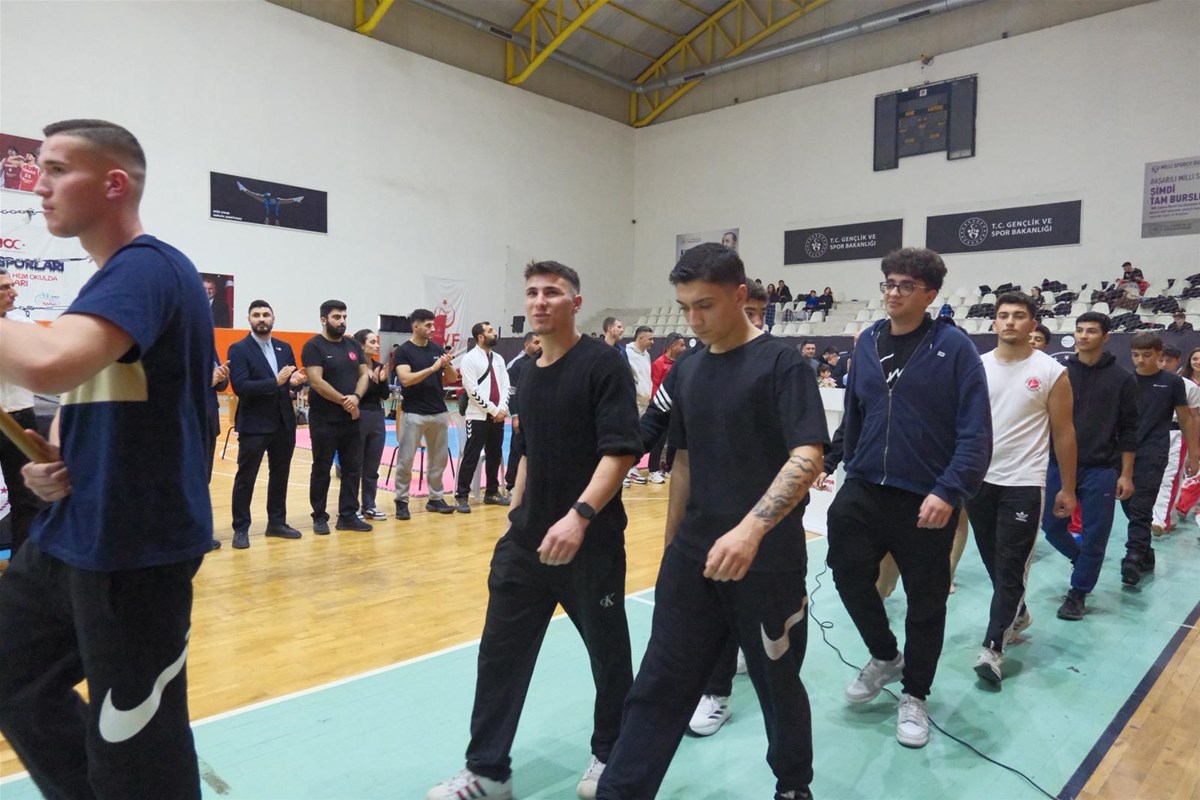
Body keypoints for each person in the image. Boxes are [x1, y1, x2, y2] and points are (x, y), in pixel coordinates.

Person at [0, 119, 213, 798]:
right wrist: (53, 462)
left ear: (114, 183)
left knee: (136, 749)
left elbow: (53, 364)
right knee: (12, 678)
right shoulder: (105, 284)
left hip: (135, 550)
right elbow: (84, 388)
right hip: (67, 537)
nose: (39, 185)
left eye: (58, 169)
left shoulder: (148, 267)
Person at [597, 243, 827, 800]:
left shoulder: (782, 365)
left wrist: (750, 529)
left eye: (705, 305)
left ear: (740, 296)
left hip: (767, 561)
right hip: (693, 557)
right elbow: (659, 448)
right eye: (685, 308)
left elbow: (808, 457)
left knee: (777, 685)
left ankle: (793, 786)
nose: (693, 320)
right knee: (658, 685)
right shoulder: (687, 370)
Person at [428, 260, 641, 800]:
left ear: (576, 302)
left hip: (589, 543)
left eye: (552, 292)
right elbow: (526, 450)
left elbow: (620, 452)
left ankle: (611, 753)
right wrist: (516, 511)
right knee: (500, 654)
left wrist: (579, 516)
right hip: (526, 543)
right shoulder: (527, 371)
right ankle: (488, 771)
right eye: (532, 292)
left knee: (608, 654)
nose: (540, 301)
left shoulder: (603, 366)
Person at [827, 247, 992, 749]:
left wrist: (949, 490)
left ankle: (915, 694)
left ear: (930, 294)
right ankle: (885, 655)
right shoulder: (868, 342)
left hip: (925, 496)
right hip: (864, 485)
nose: (893, 293)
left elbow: (976, 431)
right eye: (888, 283)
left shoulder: (954, 347)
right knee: (846, 573)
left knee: (925, 601)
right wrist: (835, 461)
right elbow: (856, 412)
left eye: (905, 285)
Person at [967, 292, 1077, 684]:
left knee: (1011, 565)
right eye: (1003, 315)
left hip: (1024, 483)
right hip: (980, 481)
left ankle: (992, 649)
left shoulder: (1051, 372)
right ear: (994, 323)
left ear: (1032, 324)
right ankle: (1020, 612)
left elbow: (1064, 433)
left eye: (1018, 315)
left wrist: (1068, 488)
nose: (1010, 321)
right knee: (993, 563)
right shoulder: (977, 367)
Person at [1041, 312, 1138, 620]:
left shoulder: (1123, 379)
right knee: (1051, 526)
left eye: (1091, 331)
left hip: (1101, 468)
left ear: (1105, 337)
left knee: (1096, 532)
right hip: (1059, 464)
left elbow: (1129, 430)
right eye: (1079, 330)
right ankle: (1081, 560)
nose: (1083, 336)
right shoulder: (1060, 373)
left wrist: (1126, 474)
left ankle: (1078, 593)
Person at [1118, 333, 1197, 586]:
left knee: (1141, 506)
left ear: (1159, 355)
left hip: (1154, 452)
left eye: (1147, 355)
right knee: (1128, 504)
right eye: (1136, 355)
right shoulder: (1125, 380)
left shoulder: (1173, 383)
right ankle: (1146, 551)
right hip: (1123, 452)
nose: (1141, 360)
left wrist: (1194, 454)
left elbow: (1185, 418)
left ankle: (1133, 556)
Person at [227, 299, 305, 549]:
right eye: (257, 315)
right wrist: (276, 382)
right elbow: (241, 386)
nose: (262, 319)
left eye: (266, 314)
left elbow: (290, 382)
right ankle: (241, 528)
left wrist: (296, 382)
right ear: (249, 319)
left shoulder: (284, 347)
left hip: (283, 422)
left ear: (273, 318)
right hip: (254, 424)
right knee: (246, 477)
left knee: (280, 475)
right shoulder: (238, 349)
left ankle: (277, 523)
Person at [301, 300, 372, 535]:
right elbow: (316, 381)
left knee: (352, 468)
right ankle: (319, 516)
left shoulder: (352, 345)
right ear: (324, 320)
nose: (342, 321)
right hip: (324, 419)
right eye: (336, 317)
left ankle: (348, 515)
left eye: (344, 317)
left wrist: (356, 397)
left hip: (351, 417)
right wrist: (345, 401)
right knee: (322, 467)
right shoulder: (314, 346)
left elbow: (364, 374)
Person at [392, 308, 459, 520]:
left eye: (433, 325)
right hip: (414, 413)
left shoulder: (437, 349)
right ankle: (402, 500)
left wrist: (446, 365)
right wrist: (433, 368)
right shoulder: (404, 351)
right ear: (415, 326)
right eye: (428, 325)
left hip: (438, 411)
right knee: (406, 460)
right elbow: (405, 379)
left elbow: (452, 378)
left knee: (439, 460)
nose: (432, 329)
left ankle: (436, 498)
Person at [0, 268, 44, 557]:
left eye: (12, 286)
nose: (13, 292)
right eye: (4, 288)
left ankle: (20, 568)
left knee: (26, 497)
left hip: (21, 419)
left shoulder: (24, 325)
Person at [455, 321, 512, 512]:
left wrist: (502, 408)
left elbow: (505, 386)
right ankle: (462, 495)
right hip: (477, 416)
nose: (494, 333)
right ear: (480, 337)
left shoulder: (499, 359)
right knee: (471, 455)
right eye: (490, 331)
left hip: (498, 415)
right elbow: (472, 391)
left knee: (495, 454)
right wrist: (494, 410)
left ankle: (492, 492)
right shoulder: (469, 359)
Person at [1151, 345, 1200, 535]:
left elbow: (1194, 417)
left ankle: (1160, 520)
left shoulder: (1188, 386)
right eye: (1161, 360)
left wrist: (1194, 451)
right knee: (1153, 477)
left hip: (1177, 433)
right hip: (1151, 433)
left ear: (1177, 361)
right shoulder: (1144, 381)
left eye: (1168, 361)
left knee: (1169, 477)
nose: (1164, 364)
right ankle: (1168, 516)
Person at [353, 329, 392, 520]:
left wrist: (381, 381)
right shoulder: (353, 367)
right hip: (358, 415)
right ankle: (351, 507)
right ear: (361, 346)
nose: (377, 345)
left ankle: (369, 505)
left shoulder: (379, 366)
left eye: (376, 342)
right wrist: (369, 381)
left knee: (372, 464)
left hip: (377, 416)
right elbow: (355, 393)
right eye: (372, 342)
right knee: (355, 464)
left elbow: (384, 395)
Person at [646, 332, 686, 483]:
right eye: (681, 345)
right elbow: (655, 386)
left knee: (675, 440)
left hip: (677, 409)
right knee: (659, 441)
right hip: (663, 408)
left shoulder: (680, 363)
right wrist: (661, 406)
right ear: (672, 346)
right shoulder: (659, 363)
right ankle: (653, 470)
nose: (684, 348)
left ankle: (669, 467)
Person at [504, 332, 541, 494]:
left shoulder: (543, 361)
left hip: (540, 415)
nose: (540, 345)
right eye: (536, 342)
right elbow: (510, 391)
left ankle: (534, 483)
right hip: (522, 415)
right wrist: (515, 415)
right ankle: (512, 485)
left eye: (542, 342)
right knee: (518, 449)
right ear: (526, 344)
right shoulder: (516, 364)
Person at [624, 326, 654, 486]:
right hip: (633, 402)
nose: (652, 342)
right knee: (629, 435)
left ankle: (632, 468)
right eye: (650, 338)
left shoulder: (646, 354)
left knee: (639, 437)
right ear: (640, 338)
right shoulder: (627, 353)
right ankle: (625, 471)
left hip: (644, 402)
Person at [236, 180, 304, 226]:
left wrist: (296, 199)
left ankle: (297, 199)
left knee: (276, 221)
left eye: (273, 199)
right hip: (268, 215)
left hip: (275, 216)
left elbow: (288, 200)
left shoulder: (278, 200)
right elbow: (254, 195)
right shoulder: (267, 199)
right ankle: (243, 188)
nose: (272, 200)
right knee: (256, 195)